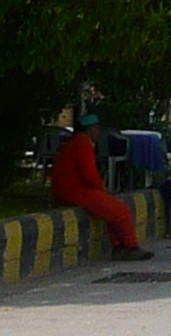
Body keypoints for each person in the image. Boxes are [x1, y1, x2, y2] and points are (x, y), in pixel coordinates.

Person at [50, 109, 145, 262]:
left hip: (68, 189)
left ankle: (120, 246)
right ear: (91, 129)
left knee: (112, 211)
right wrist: (102, 190)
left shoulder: (75, 142)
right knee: (121, 210)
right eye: (96, 128)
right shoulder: (82, 144)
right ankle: (130, 246)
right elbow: (89, 174)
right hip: (74, 190)